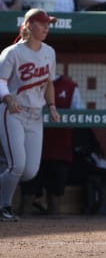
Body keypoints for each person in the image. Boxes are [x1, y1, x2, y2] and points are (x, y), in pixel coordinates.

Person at [0, 8, 60, 222]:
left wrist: (52, 106)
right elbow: (1, 81)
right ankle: (4, 206)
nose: (46, 27)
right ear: (28, 26)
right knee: (17, 166)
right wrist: (8, 99)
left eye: (48, 24)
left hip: (35, 115)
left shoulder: (49, 52)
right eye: (42, 23)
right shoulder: (12, 52)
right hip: (13, 112)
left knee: (29, 172)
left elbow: (49, 83)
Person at [19, 74, 83, 217]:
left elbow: (80, 114)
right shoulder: (27, 83)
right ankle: (24, 232)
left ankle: (52, 234)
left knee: (55, 202)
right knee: (27, 200)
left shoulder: (70, 86)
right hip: (31, 149)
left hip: (59, 150)